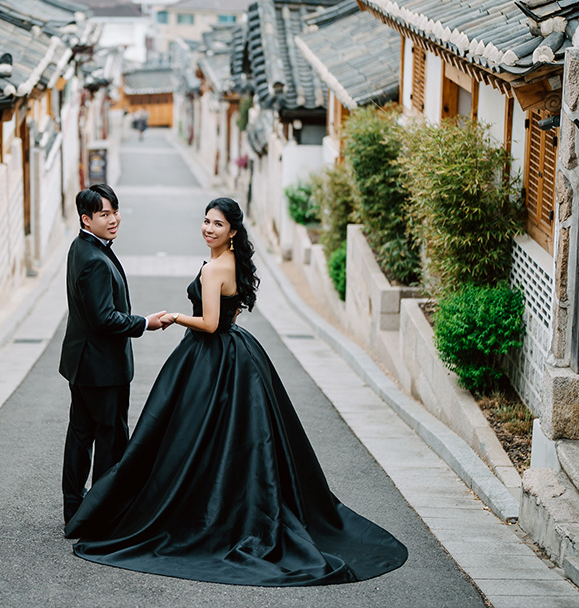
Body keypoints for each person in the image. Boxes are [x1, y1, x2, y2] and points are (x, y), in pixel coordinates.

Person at [64, 197, 408, 587]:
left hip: (208, 355)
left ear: (233, 232)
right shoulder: (231, 263)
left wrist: (176, 317)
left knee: (184, 437)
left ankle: (168, 509)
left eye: (217, 224)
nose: (209, 228)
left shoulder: (213, 269)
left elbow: (210, 324)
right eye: (206, 221)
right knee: (234, 439)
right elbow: (232, 313)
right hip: (238, 352)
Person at [59, 183, 167, 525]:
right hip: (101, 368)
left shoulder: (82, 246)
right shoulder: (93, 259)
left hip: (84, 363)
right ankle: (100, 515)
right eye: (105, 214)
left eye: (115, 211)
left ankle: (76, 510)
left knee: (80, 435)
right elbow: (103, 318)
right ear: (86, 219)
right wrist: (143, 323)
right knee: (109, 438)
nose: (114, 219)